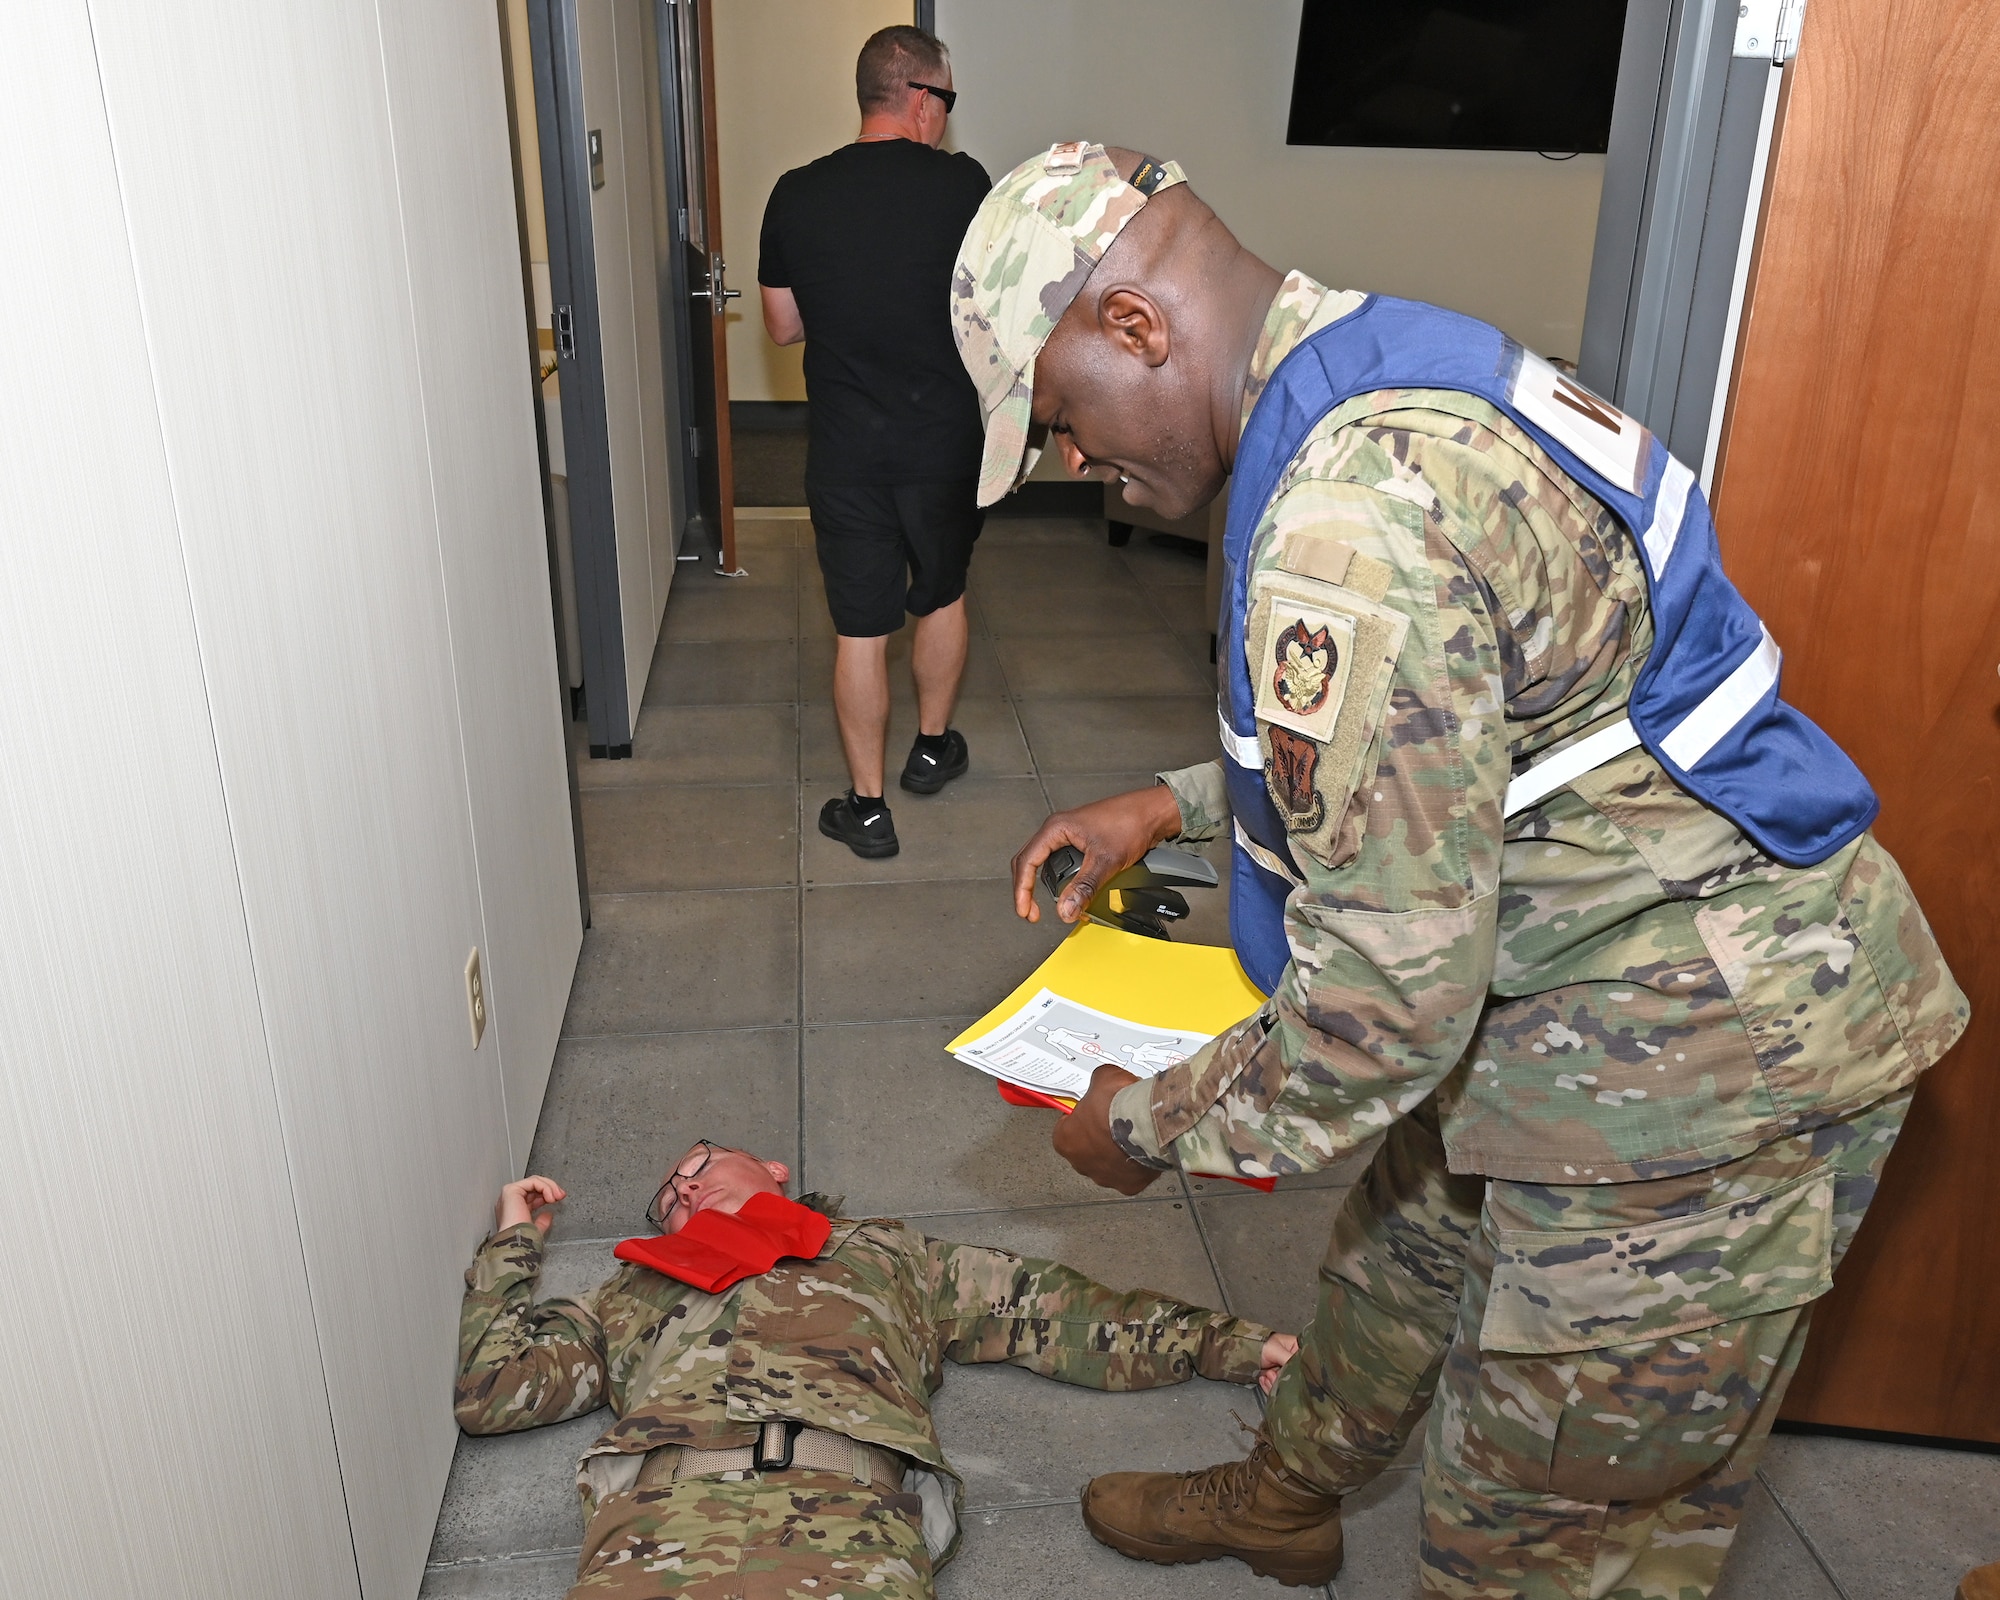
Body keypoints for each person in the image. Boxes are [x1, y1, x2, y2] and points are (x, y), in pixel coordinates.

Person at [950, 142, 1970, 1594]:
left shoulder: (1346, 522)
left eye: (1056, 418)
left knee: (1536, 1549)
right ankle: (1289, 1499)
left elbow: (1386, 1004)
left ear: (1133, 328)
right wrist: (1174, 807)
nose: (1071, 459)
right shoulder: (1395, 362)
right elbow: (1475, 735)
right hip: (1574, 969)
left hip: (1688, 1074)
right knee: (1401, 1260)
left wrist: (1150, 1126)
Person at [455, 1140, 1295, 1598]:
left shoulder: (884, 1252)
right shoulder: (625, 1291)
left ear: (772, 1170)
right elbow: (492, 1394)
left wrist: (1236, 1344)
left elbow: (1055, 1310)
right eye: (668, 1196)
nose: (682, 1186)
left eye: (700, 1164)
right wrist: (512, 1242)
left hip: (847, 1520)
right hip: (656, 1524)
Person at [758, 26, 991, 860]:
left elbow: (783, 327)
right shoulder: (967, 187)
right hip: (943, 446)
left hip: (848, 450)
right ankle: (932, 747)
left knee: (860, 629)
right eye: (947, 100)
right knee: (941, 592)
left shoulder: (795, 193)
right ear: (923, 101)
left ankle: (866, 807)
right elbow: (991, 311)